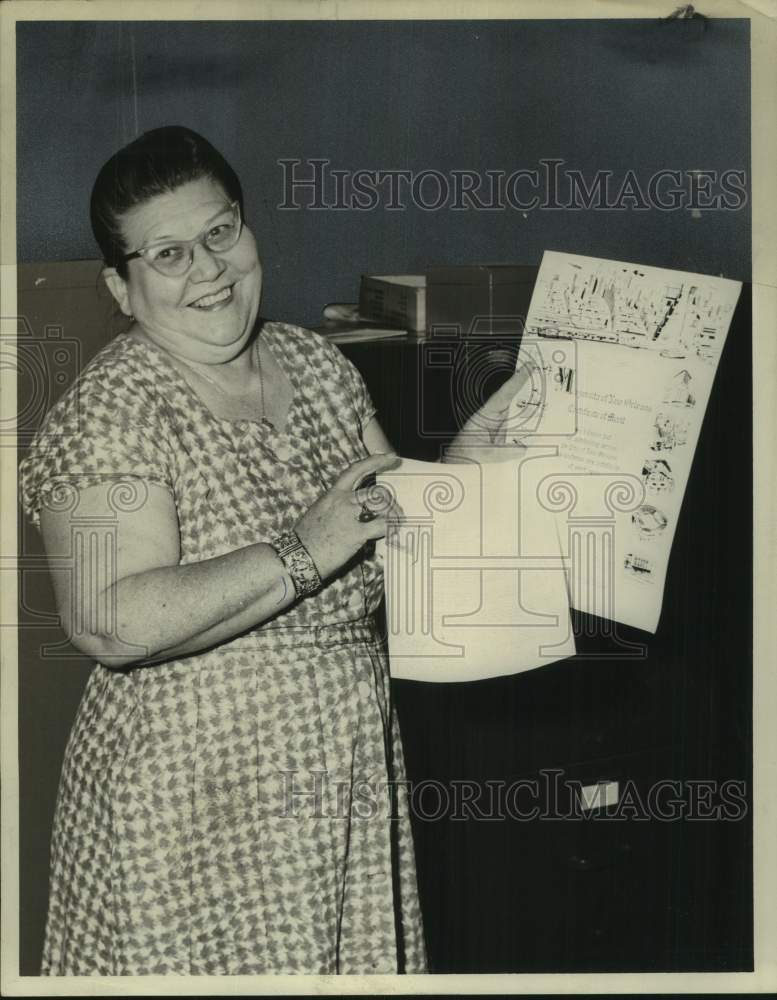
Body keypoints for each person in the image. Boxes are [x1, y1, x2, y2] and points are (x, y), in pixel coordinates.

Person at [19, 126, 525, 977]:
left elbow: (399, 535)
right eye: (168, 253)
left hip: (338, 767)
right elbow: (109, 620)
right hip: (190, 794)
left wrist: (474, 464)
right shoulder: (111, 409)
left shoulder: (317, 364)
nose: (208, 269)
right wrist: (303, 550)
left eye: (220, 234)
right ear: (120, 284)